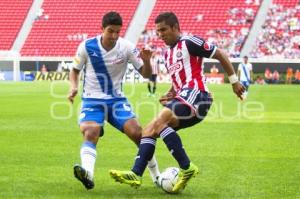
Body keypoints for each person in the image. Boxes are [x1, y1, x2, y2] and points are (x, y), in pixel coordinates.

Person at [109, 12, 245, 193]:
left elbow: (219, 54)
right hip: (185, 97)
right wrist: (170, 94)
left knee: (158, 122)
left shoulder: (189, 42)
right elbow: (177, 84)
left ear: (175, 27)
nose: (160, 35)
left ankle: (185, 167)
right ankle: (137, 173)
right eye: (157, 32)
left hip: (198, 95)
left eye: (163, 30)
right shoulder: (167, 55)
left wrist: (234, 81)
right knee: (150, 129)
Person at [68, 11, 160, 190]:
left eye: (118, 32)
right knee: (90, 131)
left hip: (116, 100)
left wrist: (147, 61)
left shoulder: (126, 47)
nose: (114, 36)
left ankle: (157, 176)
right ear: (102, 29)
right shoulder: (86, 46)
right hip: (92, 100)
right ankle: (88, 173)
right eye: (110, 31)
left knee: (138, 134)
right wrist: (73, 86)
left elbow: (146, 73)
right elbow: (74, 70)